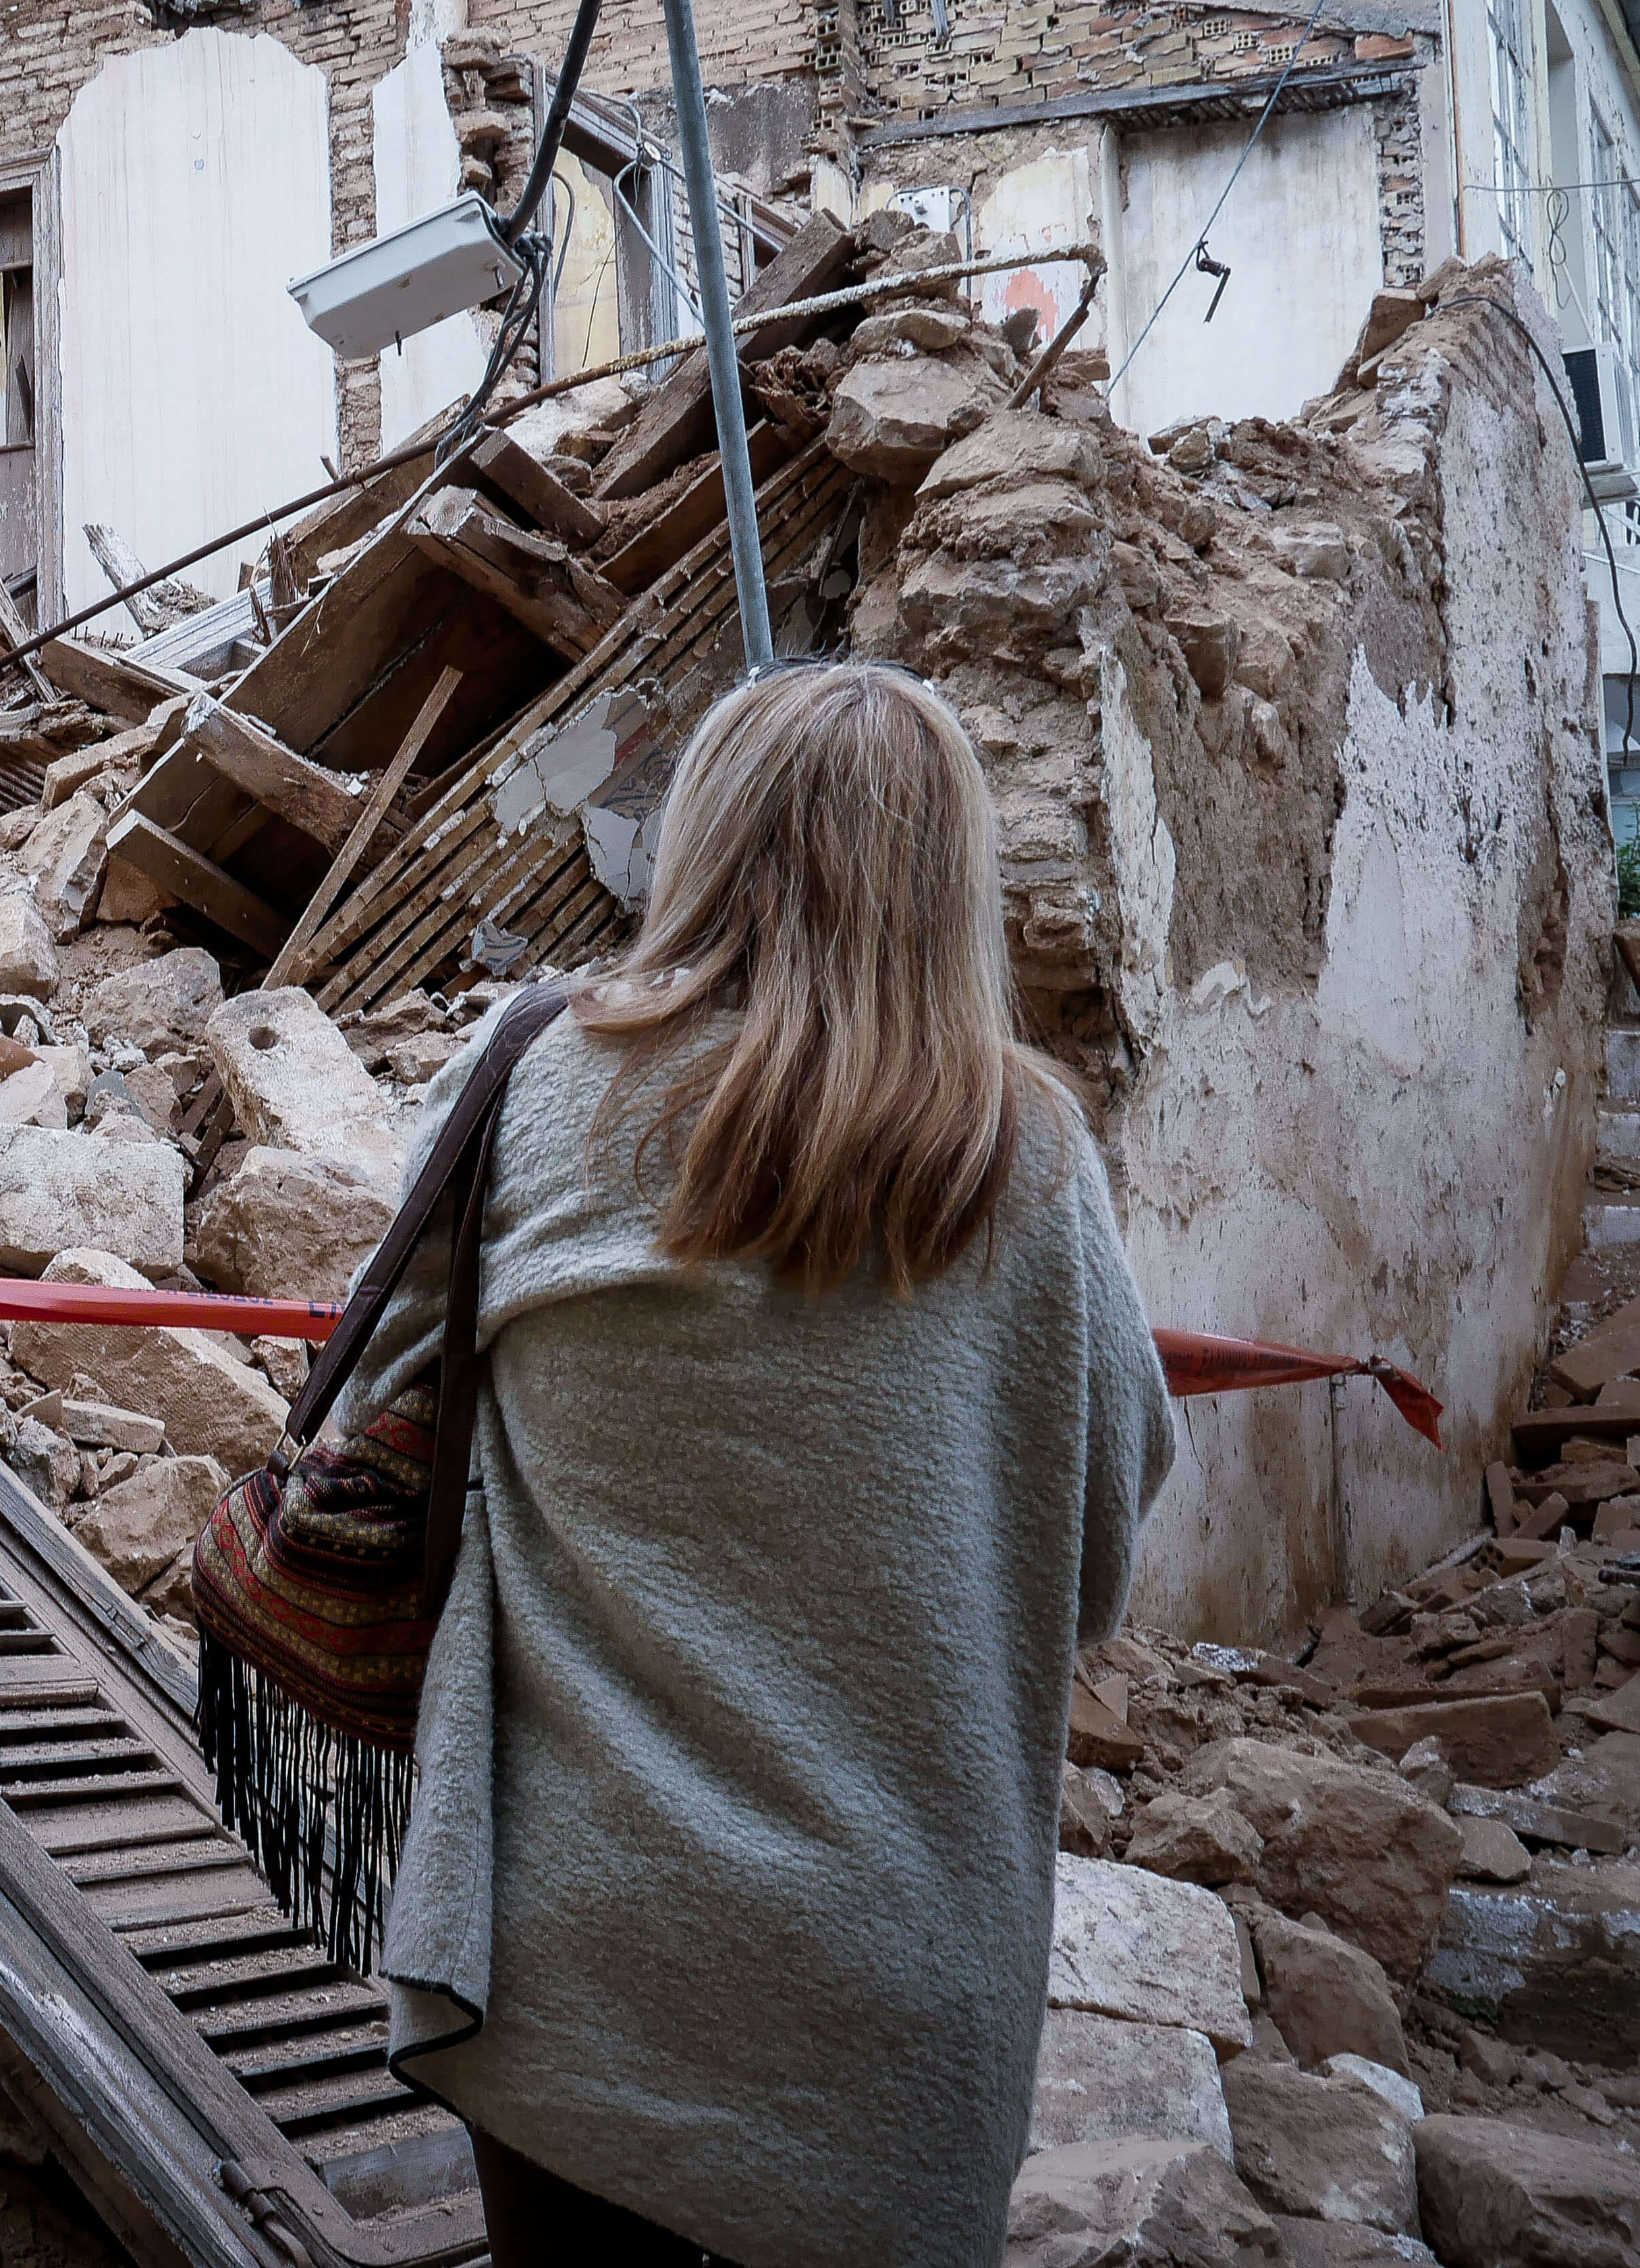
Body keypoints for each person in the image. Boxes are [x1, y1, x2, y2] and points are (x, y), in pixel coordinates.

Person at [360, 660, 1177, 2264]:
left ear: (702, 839)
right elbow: (1095, 1551)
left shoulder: (526, 1083)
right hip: (903, 1981)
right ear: (947, 878)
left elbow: (387, 1416)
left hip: (577, 1950)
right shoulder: (1032, 1156)